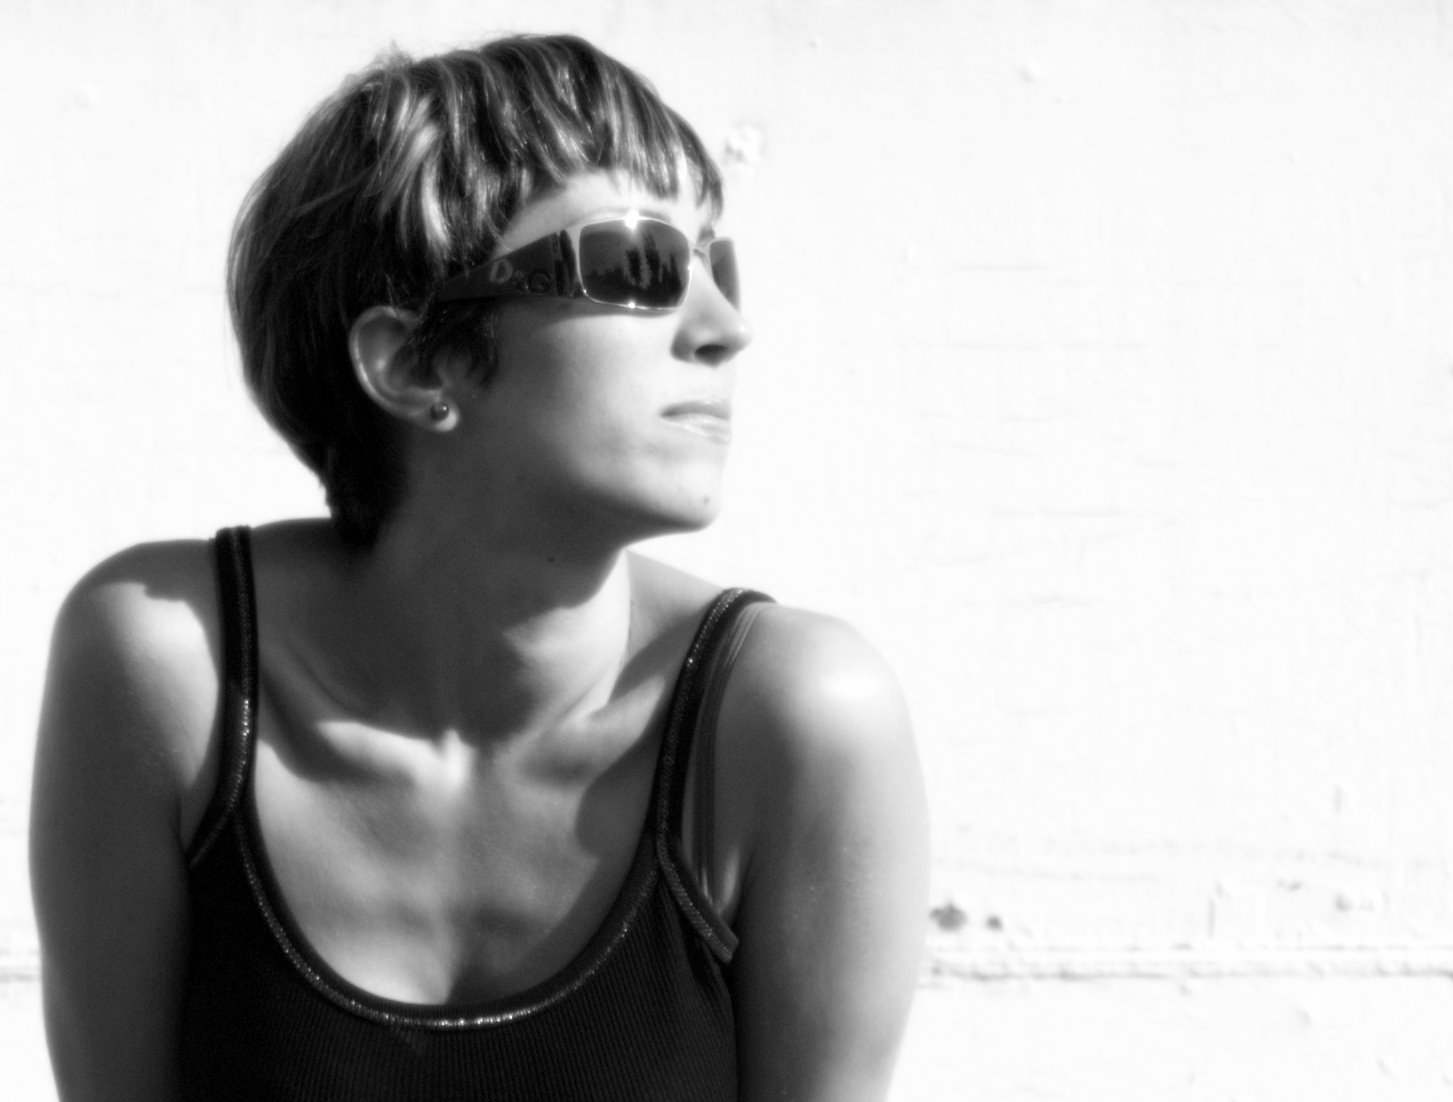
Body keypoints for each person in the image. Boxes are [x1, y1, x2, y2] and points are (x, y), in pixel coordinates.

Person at [29, 32, 928, 1102]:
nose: (724, 328)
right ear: (418, 363)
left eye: (713, 266)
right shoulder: (169, 666)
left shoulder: (791, 719)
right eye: (638, 264)